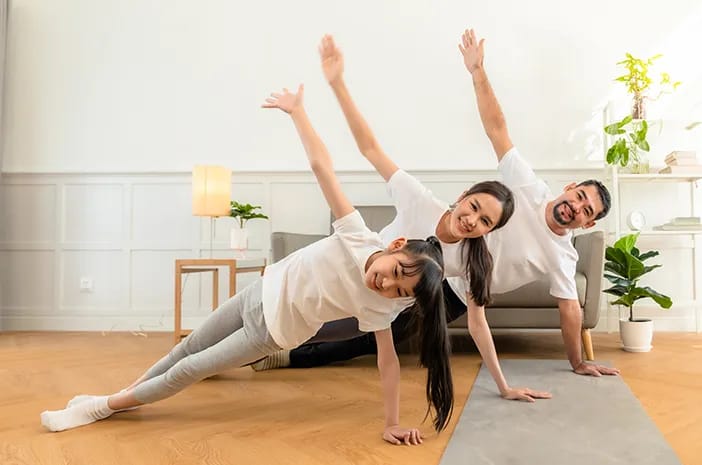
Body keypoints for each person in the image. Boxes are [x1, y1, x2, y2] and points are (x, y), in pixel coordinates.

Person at [40, 84, 452, 445]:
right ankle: (120, 399)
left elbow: (388, 362)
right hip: (260, 291)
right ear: (395, 245)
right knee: (185, 348)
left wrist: (392, 422)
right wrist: (298, 113)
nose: (386, 285)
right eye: (395, 272)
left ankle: (96, 408)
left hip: (273, 331)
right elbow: (321, 167)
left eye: (399, 291)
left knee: (191, 369)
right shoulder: (357, 234)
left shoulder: (383, 308)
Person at [253, 31, 619, 395]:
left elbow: (570, 310)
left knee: (375, 335)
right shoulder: (524, 187)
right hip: (416, 262)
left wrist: (576, 363)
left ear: (588, 223)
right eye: (580, 196)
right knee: (342, 302)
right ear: (570, 188)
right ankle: (267, 327)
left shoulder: (560, 254)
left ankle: (287, 356)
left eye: (587, 211)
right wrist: (477, 72)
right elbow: (496, 129)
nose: (576, 208)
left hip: (457, 291)